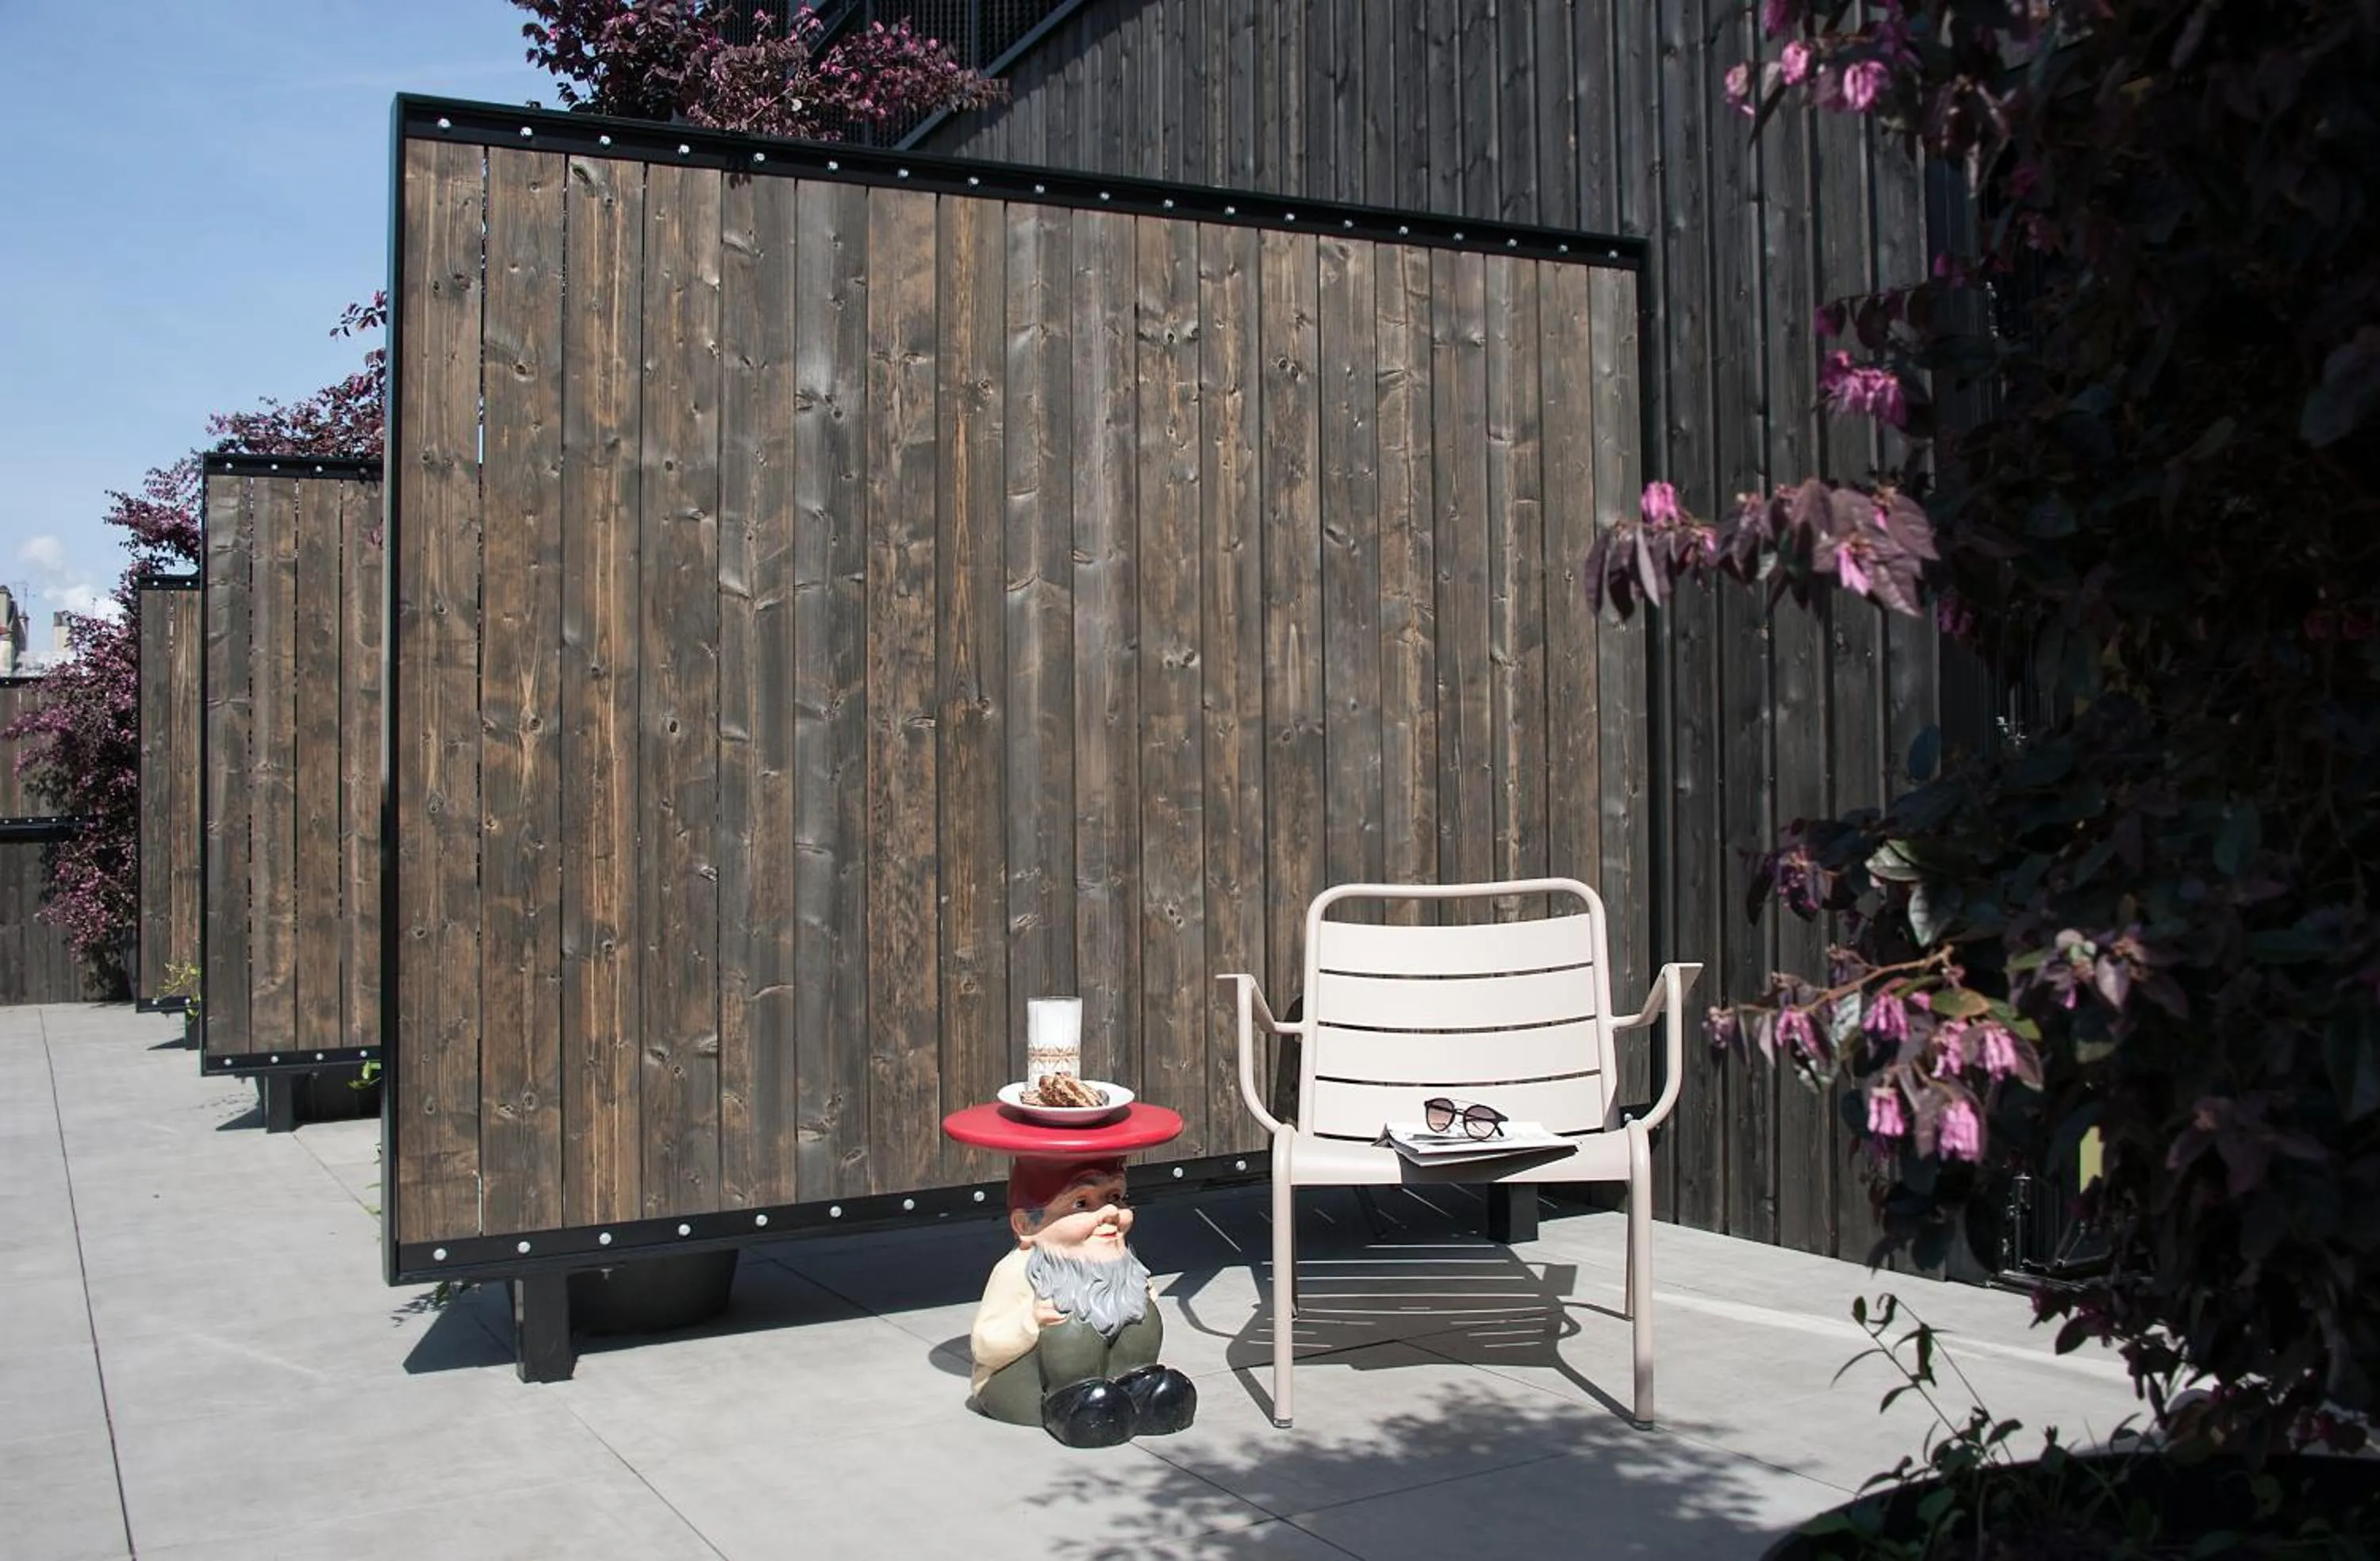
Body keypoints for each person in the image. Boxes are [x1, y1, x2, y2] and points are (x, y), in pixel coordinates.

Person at [967, 1154, 1198, 1447]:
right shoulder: (1017, 1270)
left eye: (1116, 1196)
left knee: (1141, 1314)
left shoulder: (1120, 1262)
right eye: (1082, 1203)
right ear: (1027, 1224)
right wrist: (1030, 1323)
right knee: (1071, 1325)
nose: (1111, 1213)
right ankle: (1069, 1406)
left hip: (1111, 1380)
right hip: (1024, 1384)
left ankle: (1140, 1386)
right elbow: (986, 1347)